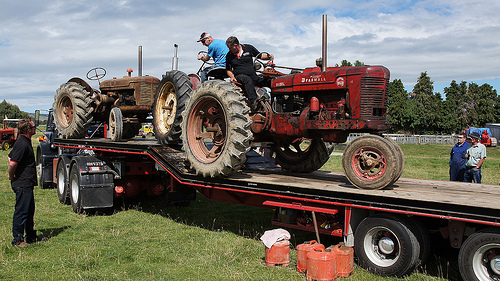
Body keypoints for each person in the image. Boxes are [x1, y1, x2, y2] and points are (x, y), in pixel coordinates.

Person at [8, 119, 47, 247]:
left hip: (27, 183)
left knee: (29, 211)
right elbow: (13, 162)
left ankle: (30, 236)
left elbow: (10, 156)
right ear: (28, 130)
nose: (36, 128)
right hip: (22, 183)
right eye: (34, 126)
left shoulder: (24, 141)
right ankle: (17, 240)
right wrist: (11, 175)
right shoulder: (22, 144)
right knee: (21, 211)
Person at [225, 36, 274, 111]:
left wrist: (269, 57)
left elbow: (260, 55)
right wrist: (232, 77)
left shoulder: (248, 48)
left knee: (268, 81)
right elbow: (228, 70)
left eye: (230, 47)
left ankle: (277, 101)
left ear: (236, 45)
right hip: (239, 77)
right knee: (247, 80)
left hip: (252, 75)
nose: (229, 50)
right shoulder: (229, 55)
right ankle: (254, 102)